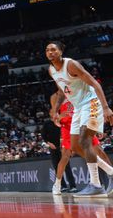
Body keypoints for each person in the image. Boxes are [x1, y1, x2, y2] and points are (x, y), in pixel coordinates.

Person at [46, 41, 113, 197]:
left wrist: (105, 107)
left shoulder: (71, 65)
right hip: (78, 107)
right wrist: (56, 110)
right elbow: (63, 91)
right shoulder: (51, 70)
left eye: (53, 49)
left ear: (60, 51)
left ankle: (96, 184)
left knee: (85, 141)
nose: (50, 52)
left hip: (92, 102)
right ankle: (110, 172)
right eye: (47, 50)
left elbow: (95, 83)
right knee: (75, 147)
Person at [51, 95, 112, 194]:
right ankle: (57, 184)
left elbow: (91, 107)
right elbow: (54, 118)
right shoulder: (55, 97)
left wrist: (97, 127)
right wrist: (58, 118)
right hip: (67, 128)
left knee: (99, 151)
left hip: (82, 124)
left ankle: (109, 178)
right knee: (65, 157)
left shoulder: (78, 90)